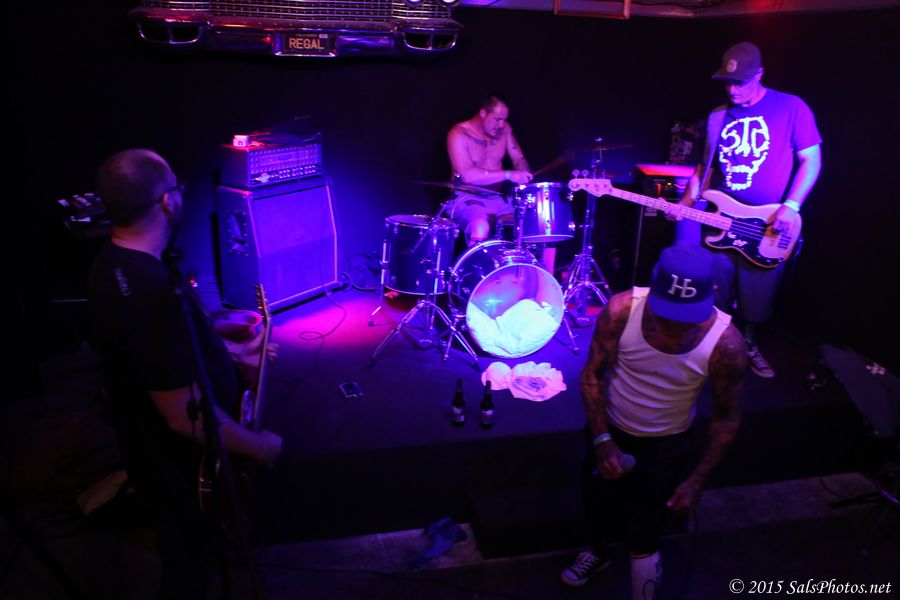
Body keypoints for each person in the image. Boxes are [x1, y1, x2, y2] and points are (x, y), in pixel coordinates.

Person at [89, 149, 282, 598]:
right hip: (177, 464)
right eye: (177, 186)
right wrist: (258, 446)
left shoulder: (113, 264)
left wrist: (216, 336)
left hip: (146, 445)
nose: (180, 194)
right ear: (166, 201)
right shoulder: (151, 295)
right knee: (188, 566)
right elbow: (182, 414)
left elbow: (153, 352)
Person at [560, 244, 746, 599]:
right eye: (667, 312)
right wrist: (602, 441)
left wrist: (697, 480)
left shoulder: (727, 346)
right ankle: (598, 552)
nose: (674, 325)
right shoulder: (621, 311)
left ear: (712, 294)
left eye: (685, 316)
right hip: (610, 427)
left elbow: (727, 418)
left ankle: (644, 558)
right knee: (597, 501)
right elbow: (591, 375)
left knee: (645, 522)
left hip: (667, 443)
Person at [676, 41, 822, 378]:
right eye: (726, 83)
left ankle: (749, 346)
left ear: (759, 74)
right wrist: (685, 203)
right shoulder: (717, 116)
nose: (732, 90)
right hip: (721, 222)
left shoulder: (791, 107)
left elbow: (811, 160)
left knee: (757, 297)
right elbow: (704, 168)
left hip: (766, 226)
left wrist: (792, 206)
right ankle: (711, 349)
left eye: (740, 82)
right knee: (713, 291)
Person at [446, 93, 533, 246]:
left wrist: (523, 172)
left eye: (504, 120)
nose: (501, 124)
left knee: (534, 223)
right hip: (468, 197)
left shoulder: (505, 129)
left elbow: (518, 158)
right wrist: (509, 175)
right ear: (483, 113)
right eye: (497, 119)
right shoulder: (459, 133)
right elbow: (468, 176)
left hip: (498, 197)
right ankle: (477, 261)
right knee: (480, 226)